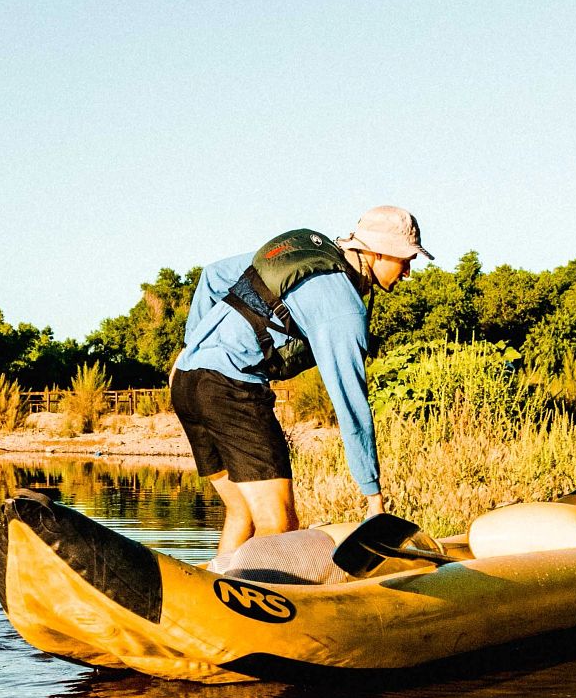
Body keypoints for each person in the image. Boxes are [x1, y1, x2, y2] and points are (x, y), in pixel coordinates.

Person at [170, 205, 432, 563]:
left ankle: (215, 596)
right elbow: (351, 405)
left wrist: (189, 349)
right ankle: (258, 612)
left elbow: (214, 275)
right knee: (278, 527)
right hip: (231, 387)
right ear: (378, 252)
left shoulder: (307, 253)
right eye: (405, 260)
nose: (408, 271)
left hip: (187, 381)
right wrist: (374, 498)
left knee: (243, 513)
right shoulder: (344, 308)